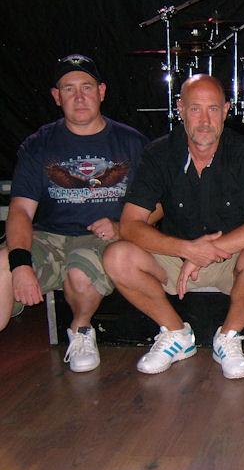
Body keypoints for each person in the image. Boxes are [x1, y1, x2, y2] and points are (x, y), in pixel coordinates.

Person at [103, 74, 244, 379]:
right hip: (174, 257)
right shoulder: (159, 153)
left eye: (213, 109)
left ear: (226, 110)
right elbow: (130, 224)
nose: (205, 121)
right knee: (117, 256)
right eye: (196, 109)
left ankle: (228, 337)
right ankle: (175, 334)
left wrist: (206, 252)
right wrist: (186, 250)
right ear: (181, 109)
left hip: (232, 257)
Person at [0, 54, 148, 372]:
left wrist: (122, 227)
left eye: (87, 87)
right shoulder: (39, 145)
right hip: (49, 237)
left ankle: (81, 330)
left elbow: (158, 204)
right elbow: (21, 210)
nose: (79, 97)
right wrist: (20, 263)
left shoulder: (131, 142)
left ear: (102, 92)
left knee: (80, 273)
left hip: (102, 241)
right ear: (57, 96)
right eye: (69, 89)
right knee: (2, 264)